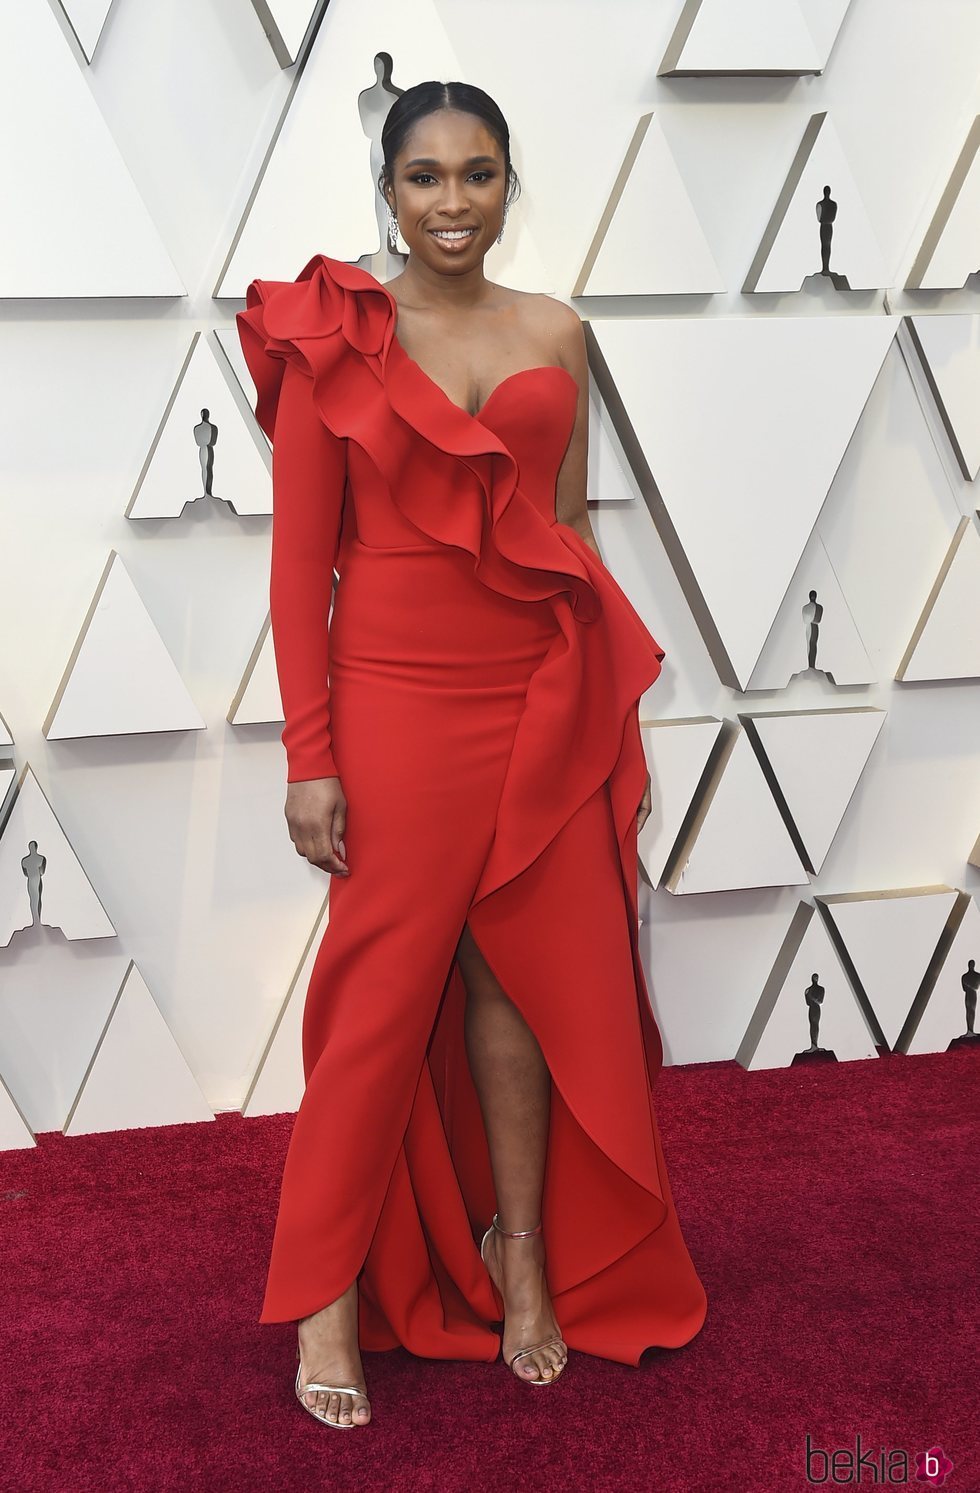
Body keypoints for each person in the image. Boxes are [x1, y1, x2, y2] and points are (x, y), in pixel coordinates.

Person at [237, 79, 708, 1432]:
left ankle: (527, 1268)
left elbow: (564, 536)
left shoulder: (558, 328)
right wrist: (309, 757)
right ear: (386, 189)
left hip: (541, 699)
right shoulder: (338, 339)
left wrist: (605, 717)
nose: (455, 204)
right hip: (393, 706)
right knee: (378, 1005)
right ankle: (325, 1292)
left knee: (523, 992)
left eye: (480, 174)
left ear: (511, 184)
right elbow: (295, 576)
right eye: (426, 177)